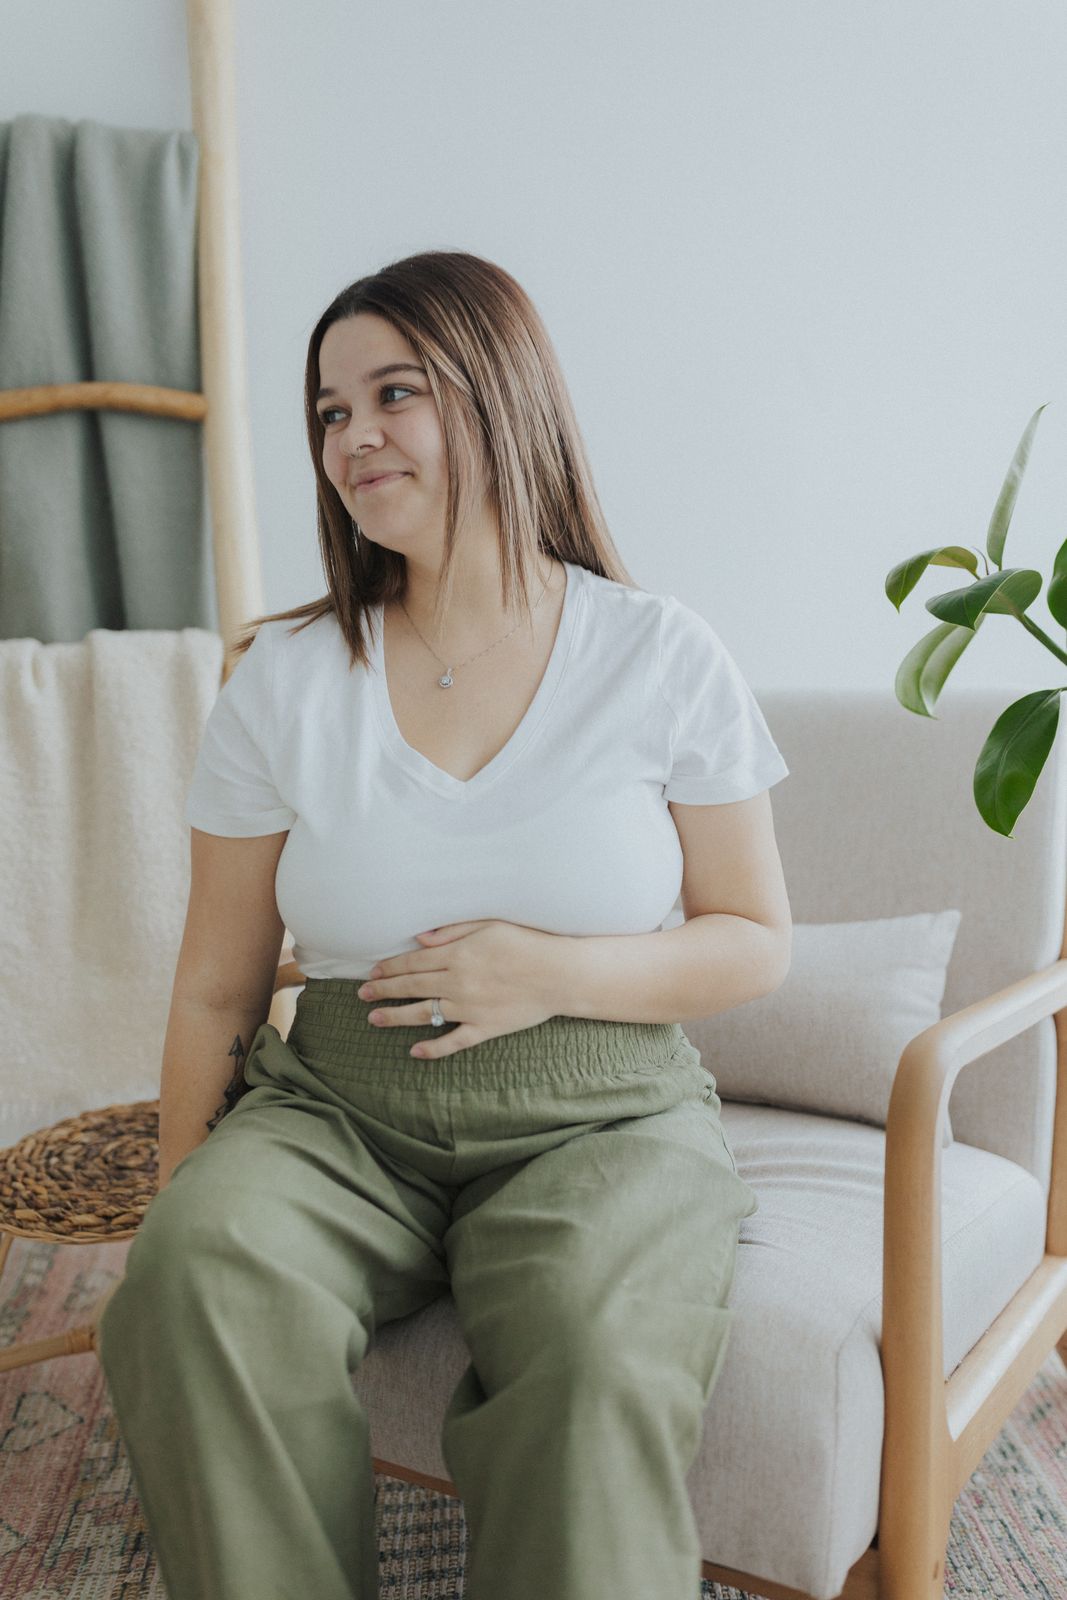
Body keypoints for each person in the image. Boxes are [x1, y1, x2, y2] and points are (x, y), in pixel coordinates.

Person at [96, 248, 793, 1600]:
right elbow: (213, 989)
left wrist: (554, 970)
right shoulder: (284, 679)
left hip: (603, 1109)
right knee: (191, 1280)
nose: (352, 438)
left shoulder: (659, 654)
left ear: (500, 395)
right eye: (328, 413)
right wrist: (186, 1199)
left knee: (594, 1351)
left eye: (392, 394)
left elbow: (755, 937)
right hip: (339, 1111)